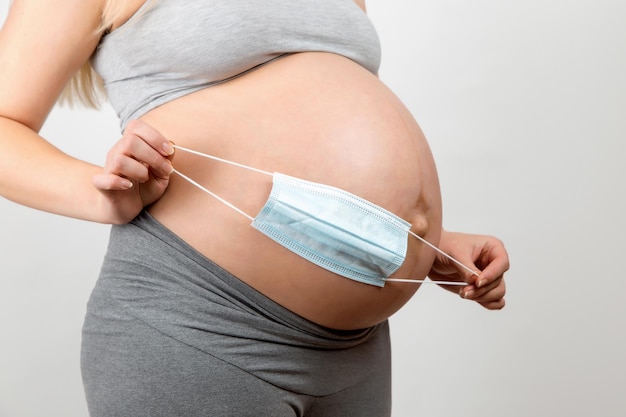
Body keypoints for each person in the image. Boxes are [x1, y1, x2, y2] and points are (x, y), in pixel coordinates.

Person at [0, 1, 508, 416]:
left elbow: (318, 115)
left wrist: (419, 240)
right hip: (201, 321)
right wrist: (100, 195)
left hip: (357, 352)